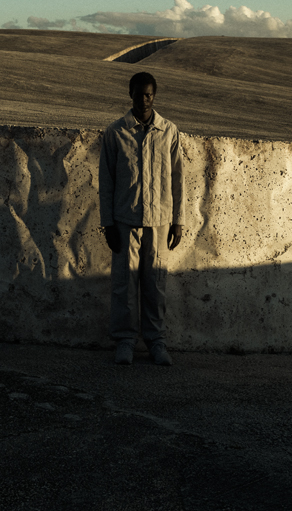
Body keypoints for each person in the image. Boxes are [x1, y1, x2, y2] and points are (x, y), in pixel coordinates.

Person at [98, 70, 184, 366]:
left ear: (154, 96)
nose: (144, 100)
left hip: (160, 220)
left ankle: (156, 341)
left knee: (155, 283)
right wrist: (107, 223)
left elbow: (177, 179)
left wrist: (179, 221)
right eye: (139, 94)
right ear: (130, 94)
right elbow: (106, 180)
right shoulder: (116, 132)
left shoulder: (169, 131)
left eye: (149, 94)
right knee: (124, 283)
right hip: (125, 219)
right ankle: (124, 341)